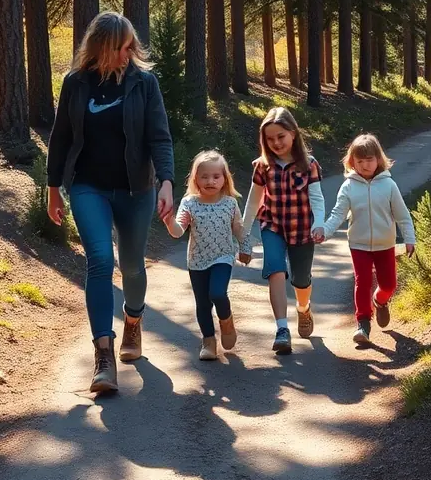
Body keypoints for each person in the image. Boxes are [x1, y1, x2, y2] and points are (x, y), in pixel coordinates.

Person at [46, 11, 175, 394]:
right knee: (100, 261)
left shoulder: (144, 83)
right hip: (88, 187)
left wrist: (167, 182)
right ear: (102, 47)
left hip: (136, 189)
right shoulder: (75, 83)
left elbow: (159, 137)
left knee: (132, 265)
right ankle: (103, 355)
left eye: (131, 46)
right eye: (122, 46)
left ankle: (133, 321)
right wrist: (53, 188)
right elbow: (61, 137)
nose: (129, 53)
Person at [313, 133, 415, 347]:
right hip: (358, 245)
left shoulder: (389, 185)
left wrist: (409, 238)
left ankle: (380, 300)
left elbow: (402, 215)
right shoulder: (348, 187)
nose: (365, 165)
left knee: (389, 284)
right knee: (362, 282)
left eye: (369, 159)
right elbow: (337, 215)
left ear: (378, 159)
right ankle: (363, 324)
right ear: (352, 162)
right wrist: (325, 231)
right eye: (359, 161)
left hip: (385, 244)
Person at [239, 107, 325, 355]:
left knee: (301, 279)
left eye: (281, 136)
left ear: (293, 134)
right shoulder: (262, 166)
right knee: (275, 270)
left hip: (302, 229)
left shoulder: (309, 165)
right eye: (270, 139)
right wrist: (244, 236)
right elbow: (253, 202)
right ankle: (282, 329)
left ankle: (303, 307)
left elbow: (316, 198)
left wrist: (319, 222)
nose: (276, 143)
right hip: (272, 226)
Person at [165, 150, 245, 361]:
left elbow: (238, 228)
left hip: (223, 257)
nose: (210, 181)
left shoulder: (230, 203)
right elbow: (178, 231)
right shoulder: (189, 203)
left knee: (217, 293)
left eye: (216, 176)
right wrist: (169, 221)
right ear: (196, 179)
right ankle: (209, 341)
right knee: (202, 303)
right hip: (197, 261)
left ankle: (226, 321)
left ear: (224, 178)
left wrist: (245, 248)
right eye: (204, 177)